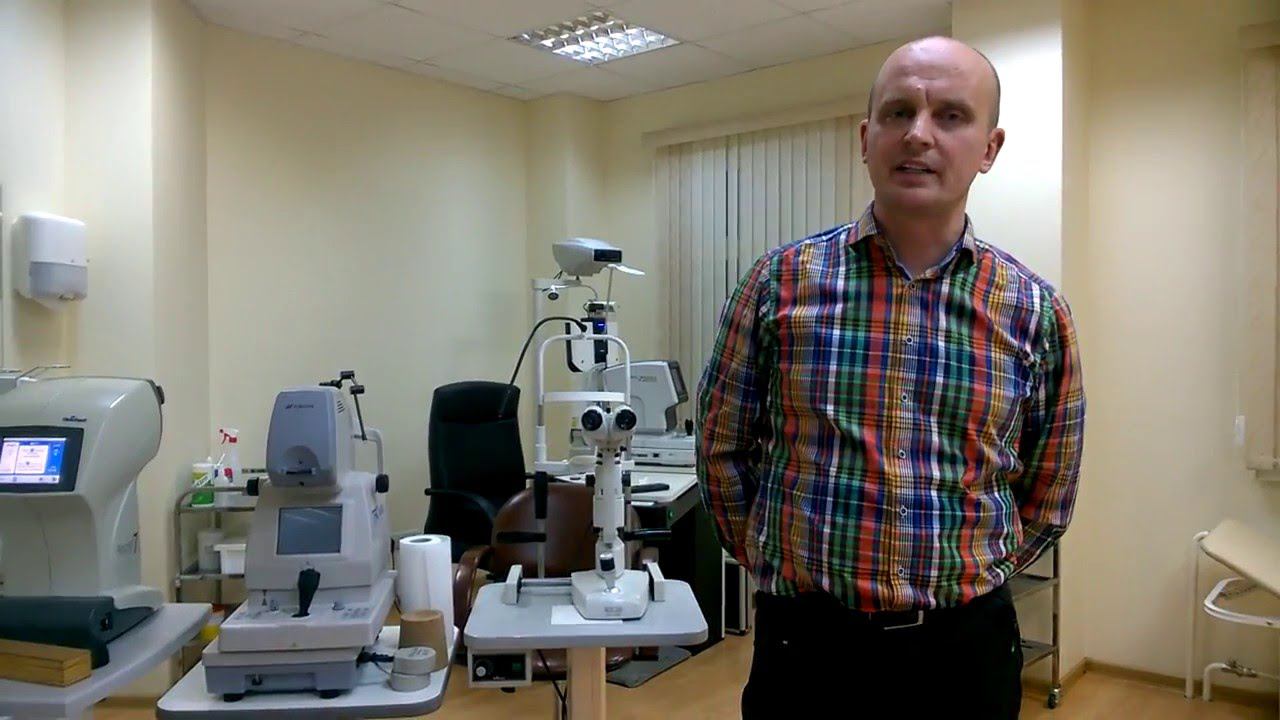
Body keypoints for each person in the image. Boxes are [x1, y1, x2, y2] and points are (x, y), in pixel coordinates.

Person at [696, 36, 1085, 718]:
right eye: (898, 112)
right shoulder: (776, 284)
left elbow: (1049, 491)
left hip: (965, 655)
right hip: (808, 648)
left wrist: (967, 571)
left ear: (989, 148)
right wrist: (772, 559)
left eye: (951, 116)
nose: (918, 134)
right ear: (865, 137)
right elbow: (721, 447)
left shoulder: (1035, 311)